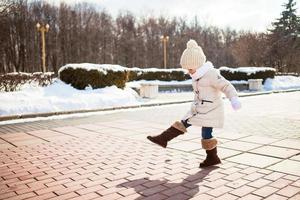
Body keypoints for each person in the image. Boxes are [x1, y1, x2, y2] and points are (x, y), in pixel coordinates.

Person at [147, 39, 241, 168]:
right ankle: (212, 157)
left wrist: (234, 98)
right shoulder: (196, 76)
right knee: (199, 130)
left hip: (211, 110)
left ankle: (163, 139)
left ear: (198, 65)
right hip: (198, 109)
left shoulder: (211, 74)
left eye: (190, 68)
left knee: (192, 126)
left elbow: (226, 86)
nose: (188, 72)